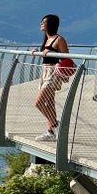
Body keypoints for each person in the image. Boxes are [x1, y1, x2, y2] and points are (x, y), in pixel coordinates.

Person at [30, 14, 69, 142]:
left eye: (44, 22)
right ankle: (51, 132)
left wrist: (53, 53)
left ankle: (56, 125)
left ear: (51, 24)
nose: (41, 23)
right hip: (45, 71)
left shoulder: (59, 39)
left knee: (38, 103)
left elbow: (66, 57)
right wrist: (38, 51)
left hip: (53, 72)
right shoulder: (46, 38)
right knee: (49, 103)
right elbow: (46, 54)